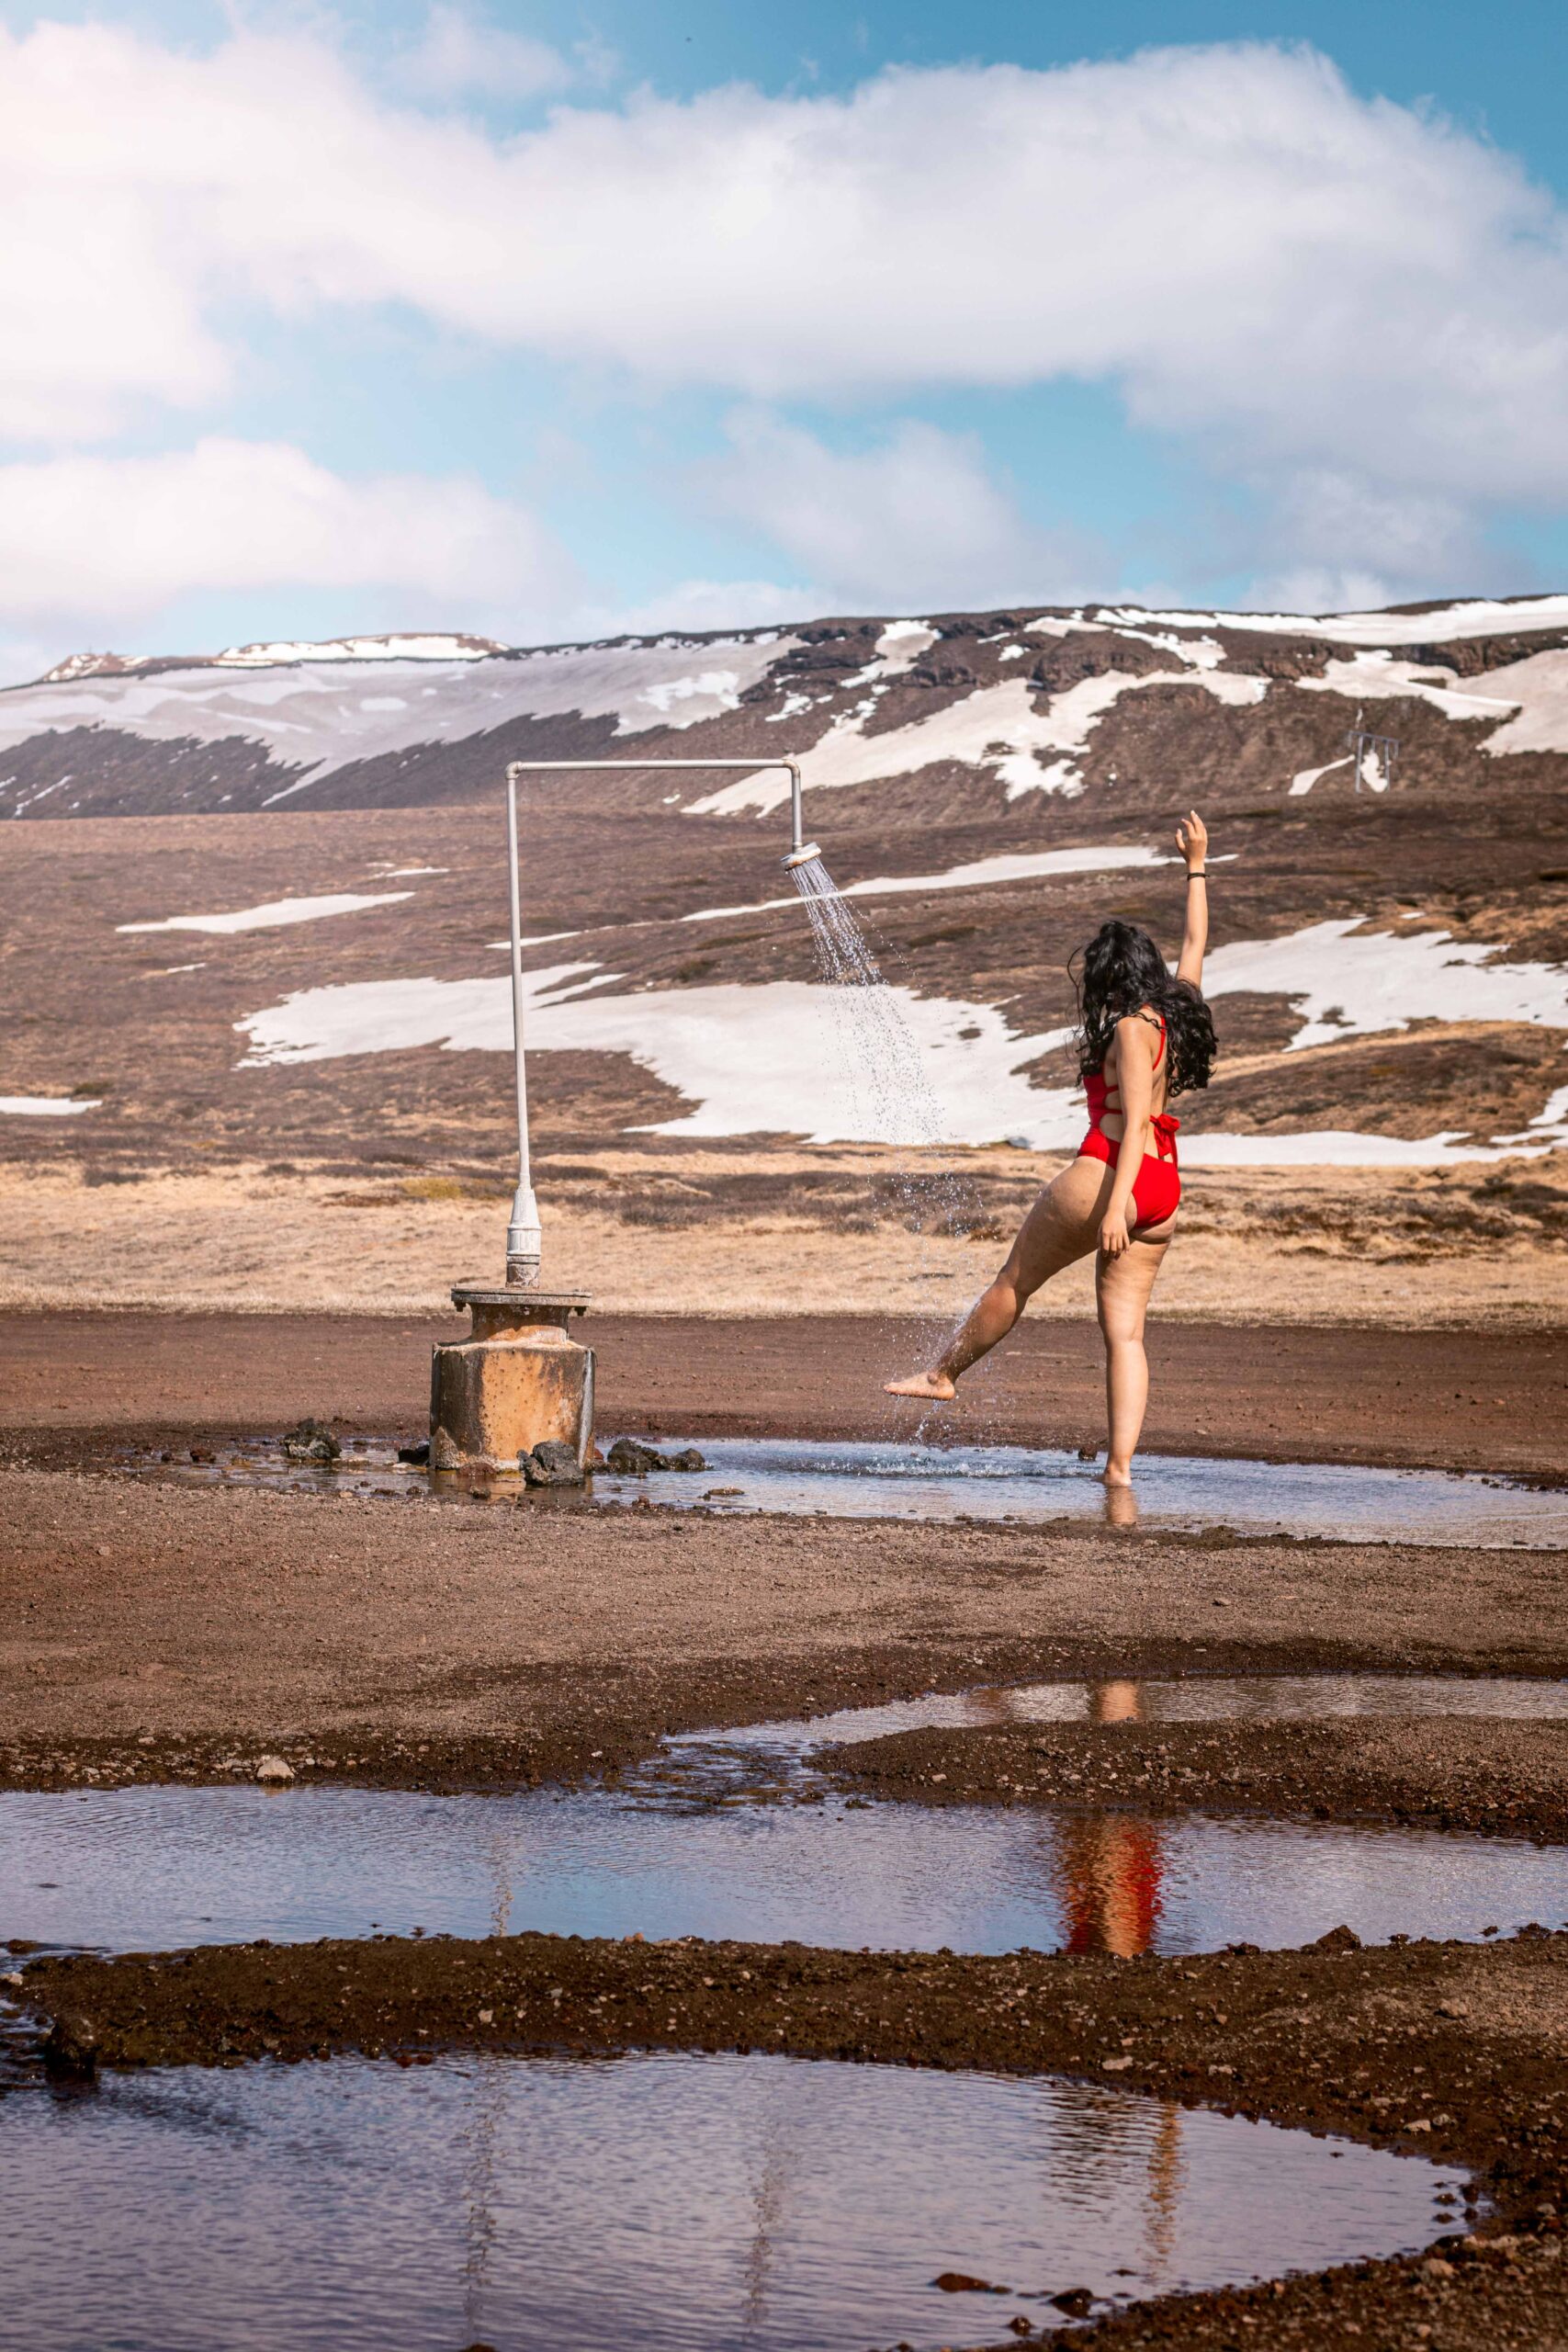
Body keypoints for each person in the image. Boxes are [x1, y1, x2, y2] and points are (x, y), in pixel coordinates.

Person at [885, 811, 1216, 1487]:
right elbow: (1195, 940)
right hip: (1166, 1186)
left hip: (1110, 1178)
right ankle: (1119, 1471)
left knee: (1014, 1282)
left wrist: (1115, 1207)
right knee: (1125, 1336)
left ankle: (942, 1374)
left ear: (1106, 981)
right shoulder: (1176, 1012)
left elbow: (1130, 1128)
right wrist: (1195, 866)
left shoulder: (1127, 1028)